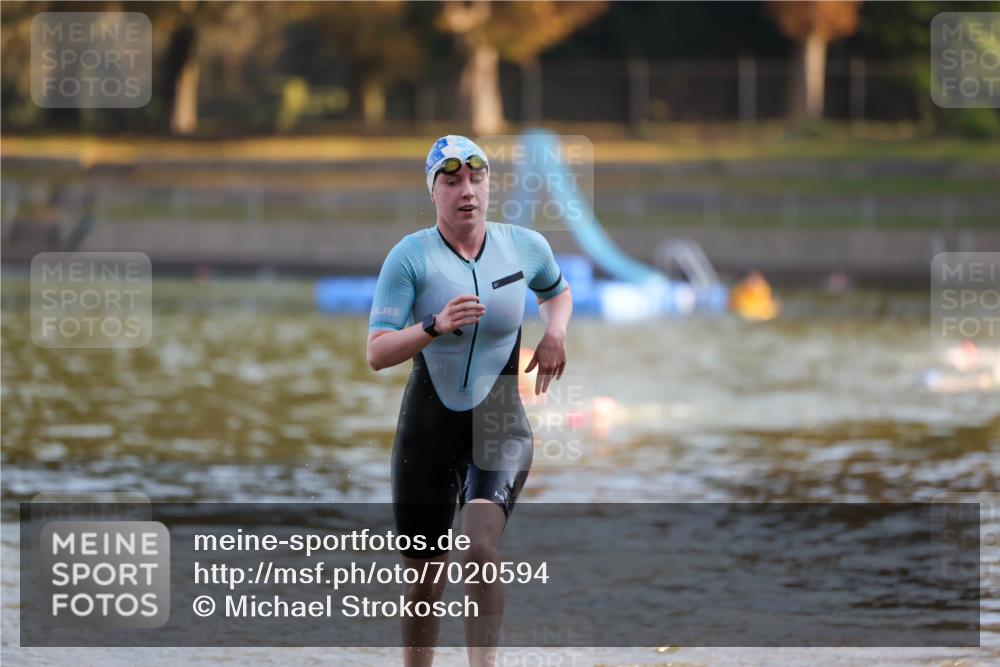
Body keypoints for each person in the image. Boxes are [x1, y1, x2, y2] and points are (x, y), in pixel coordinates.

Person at [367, 135, 573, 667]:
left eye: (476, 179)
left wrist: (555, 333)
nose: (467, 192)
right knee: (423, 585)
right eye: (451, 181)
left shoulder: (524, 246)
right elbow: (376, 353)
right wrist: (434, 326)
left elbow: (557, 291)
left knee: (479, 549)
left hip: (500, 420)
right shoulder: (409, 257)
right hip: (429, 430)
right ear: (433, 192)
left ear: (488, 186)